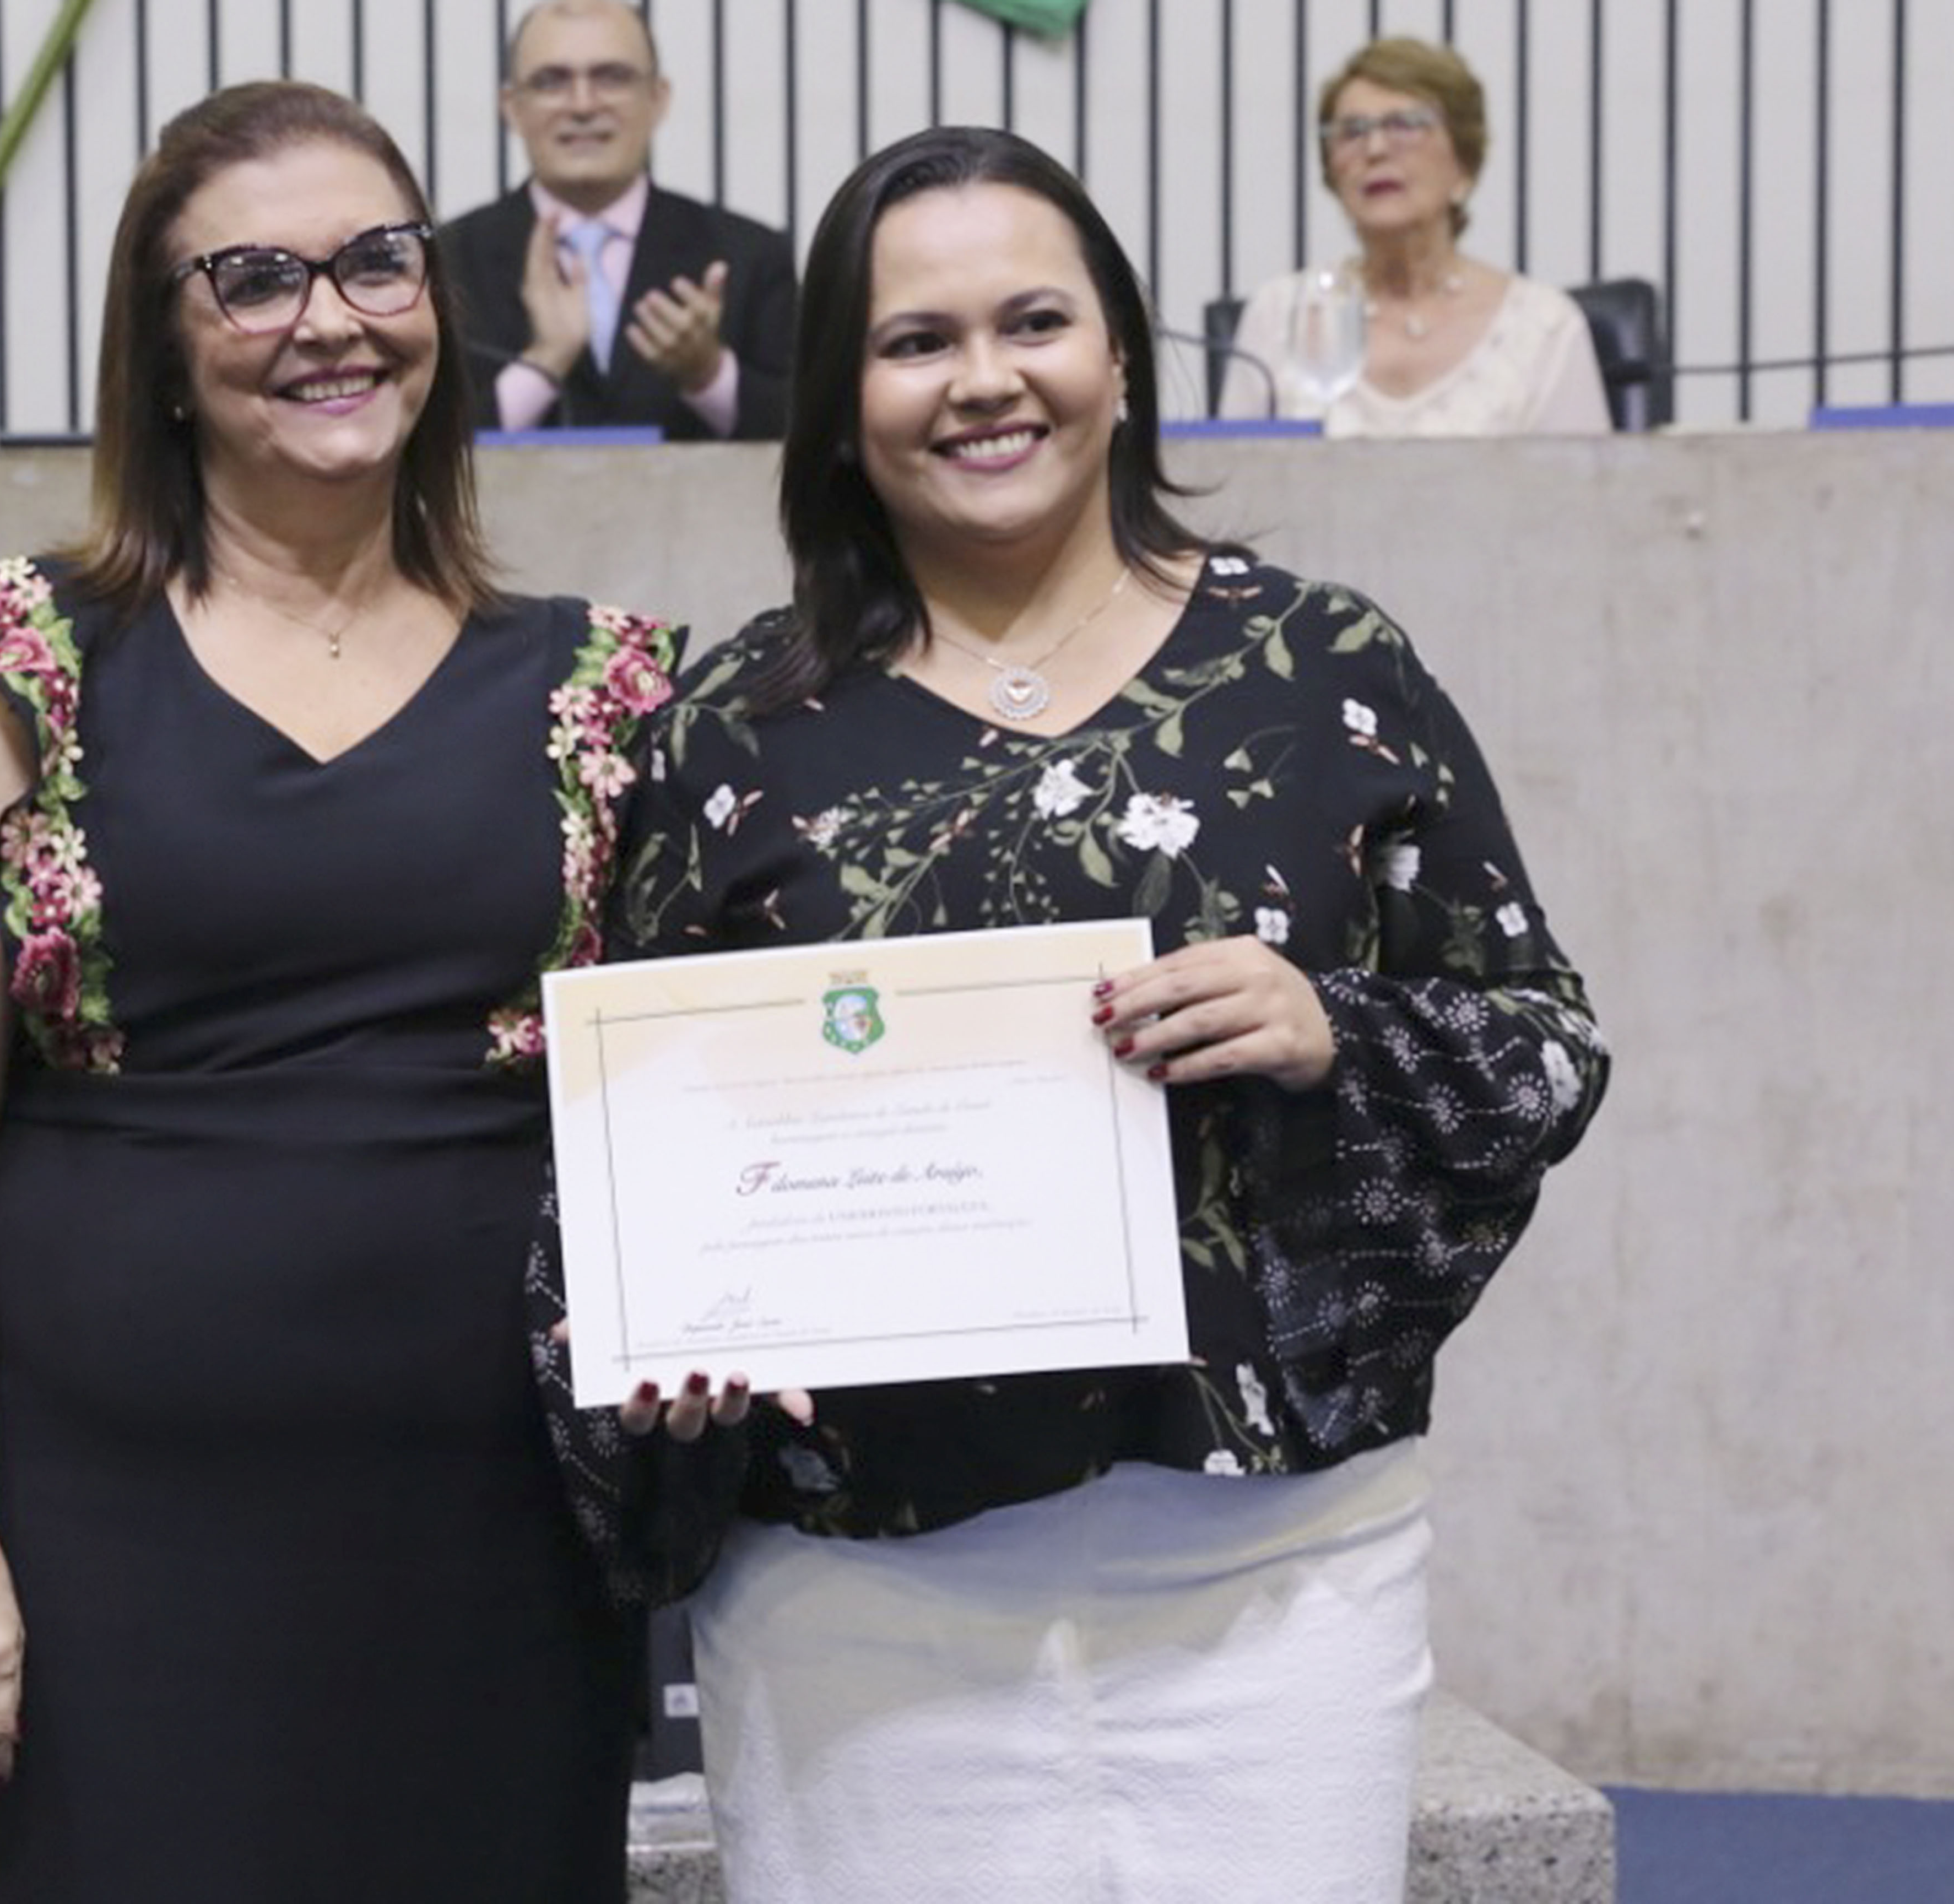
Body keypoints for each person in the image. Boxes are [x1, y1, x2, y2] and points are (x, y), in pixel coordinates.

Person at [611, 126, 1611, 1901]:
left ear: (1123, 358)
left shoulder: (1321, 667)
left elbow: (1544, 1049)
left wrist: (1334, 1028)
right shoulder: (727, 735)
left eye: (1034, 322)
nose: (983, 380)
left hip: (1273, 1570)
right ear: (839, 403)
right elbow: (628, 1155)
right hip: (856, 1583)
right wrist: (666, 1331)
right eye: (916, 341)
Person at [0, 79, 677, 1902]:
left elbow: (696, 1087)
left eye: (377, 261)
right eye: (254, 279)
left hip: (499, 1554)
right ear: (162, 349)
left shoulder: (600, 690)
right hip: (102, 1560)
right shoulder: (21, 675)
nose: (330, 319)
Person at [438, 0, 795, 440]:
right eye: (552, 81)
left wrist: (708, 374)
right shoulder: (447, 261)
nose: (583, 105)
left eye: (612, 77)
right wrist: (544, 364)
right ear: (512, 107)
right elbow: (414, 448)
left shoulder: (749, 256)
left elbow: (809, 439)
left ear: (658, 98)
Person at [1219, 36, 1610, 435]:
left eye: (1405, 125)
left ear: (1463, 165)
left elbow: (1587, 476)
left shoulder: (1544, 328)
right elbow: (1232, 471)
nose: (1375, 149)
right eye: (1352, 131)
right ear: (1332, 173)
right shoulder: (1282, 316)